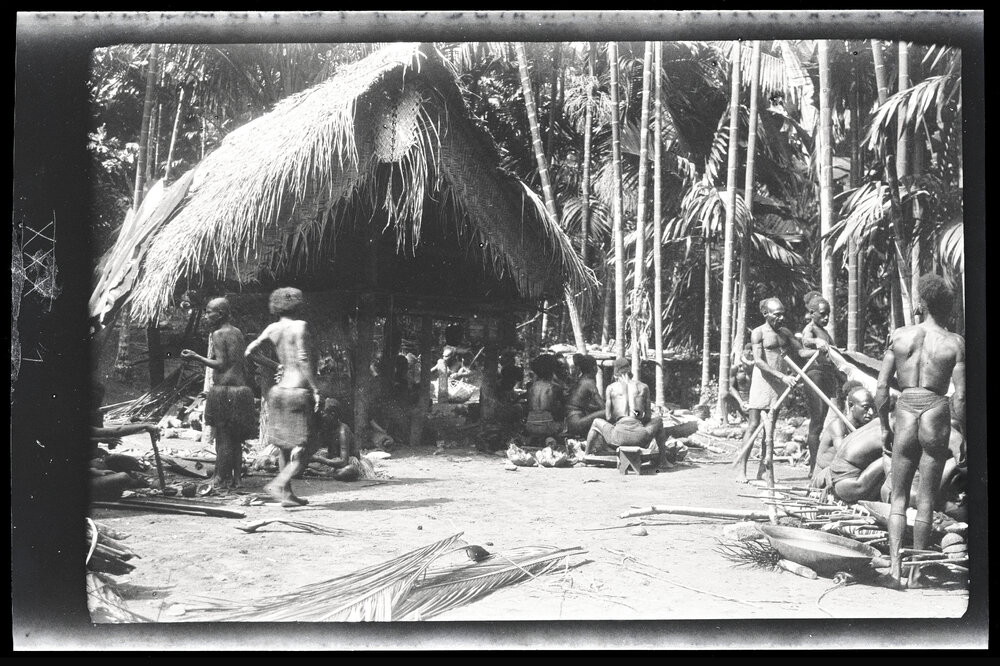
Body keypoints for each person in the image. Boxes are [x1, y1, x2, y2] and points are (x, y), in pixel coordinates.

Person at [876, 274, 966, 586]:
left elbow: (881, 388)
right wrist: (961, 433)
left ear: (922, 304)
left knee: (898, 497)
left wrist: (883, 427)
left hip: (905, 410)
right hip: (935, 411)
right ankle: (916, 573)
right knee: (927, 498)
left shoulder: (899, 336)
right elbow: (962, 396)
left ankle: (895, 570)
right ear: (947, 307)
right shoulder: (954, 343)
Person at [244, 287, 322, 507]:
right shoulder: (299, 326)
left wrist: (275, 365)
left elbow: (250, 352)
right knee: (308, 446)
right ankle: (280, 483)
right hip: (297, 392)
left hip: (278, 393)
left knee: (285, 447)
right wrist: (315, 389)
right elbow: (304, 358)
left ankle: (287, 496)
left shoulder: (273, 328)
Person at [181, 297, 255, 489]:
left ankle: (220, 477)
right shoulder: (237, 332)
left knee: (222, 437)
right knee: (236, 438)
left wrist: (196, 357)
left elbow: (222, 364)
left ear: (220, 314)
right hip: (241, 390)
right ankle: (236, 479)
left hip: (225, 391)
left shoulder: (219, 334)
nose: (206, 316)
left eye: (208, 312)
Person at [733, 297, 807, 483]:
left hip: (780, 384)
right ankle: (742, 470)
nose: (781, 318)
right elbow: (758, 361)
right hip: (763, 381)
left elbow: (800, 352)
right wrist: (782, 376)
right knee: (753, 425)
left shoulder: (785, 333)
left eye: (783, 314)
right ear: (766, 314)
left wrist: (819, 349)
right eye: (777, 315)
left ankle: (763, 470)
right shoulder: (758, 333)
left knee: (770, 428)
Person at [585, 357, 663, 457]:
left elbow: (608, 417)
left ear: (616, 373)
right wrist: (637, 416)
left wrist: (620, 416)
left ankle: (586, 455)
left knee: (596, 422)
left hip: (617, 437)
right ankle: (663, 461)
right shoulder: (643, 387)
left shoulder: (611, 388)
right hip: (640, 437)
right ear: (629, 370)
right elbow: (648, 417)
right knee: (659, 421)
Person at [800, 292, 841, 475]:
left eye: (828, 314)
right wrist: (816, 341)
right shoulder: (811, 329)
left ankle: (817, 465)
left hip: (826, 375)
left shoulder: (824, 332)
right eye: (822, 314)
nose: (826, 318)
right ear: (812, 313)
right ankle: (813, 468)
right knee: (816, 421)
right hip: (814, 375)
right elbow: (805, 341)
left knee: (822, 421)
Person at [810, 380, 876, 488]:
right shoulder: (838, 426)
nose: (871, 412)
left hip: (847, 475)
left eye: (872, 408)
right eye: (866, 408)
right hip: (826, 476)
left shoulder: (863, 426)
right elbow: (844, 454)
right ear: (851, 405)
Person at [823, 419, 886, 503]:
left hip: (839, 480)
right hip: (850, 486)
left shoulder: (878, 422)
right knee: (893, 459)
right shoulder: (888, 433)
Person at [524, 353, 565, 446]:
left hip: (530, 425)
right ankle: (549, 439)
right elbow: (556, 408)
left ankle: (537, 439)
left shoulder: (531, 387)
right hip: (547, 426)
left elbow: (530, 406)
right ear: (552, 370)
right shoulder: (553, 387)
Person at [566, 354, 605, 438]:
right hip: (576, 423)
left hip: (571, 420)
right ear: (595, 368)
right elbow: (603, 407)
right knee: (607, 412)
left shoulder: (581, 379)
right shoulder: (589, 382)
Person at [726, 343, 754, 422]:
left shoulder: (757, 369)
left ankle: (747, 417)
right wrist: (741, 402)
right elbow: (731, 387)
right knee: (724, 395)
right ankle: (725, 422)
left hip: (753, 397)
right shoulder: (735, 368)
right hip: (740, 396)